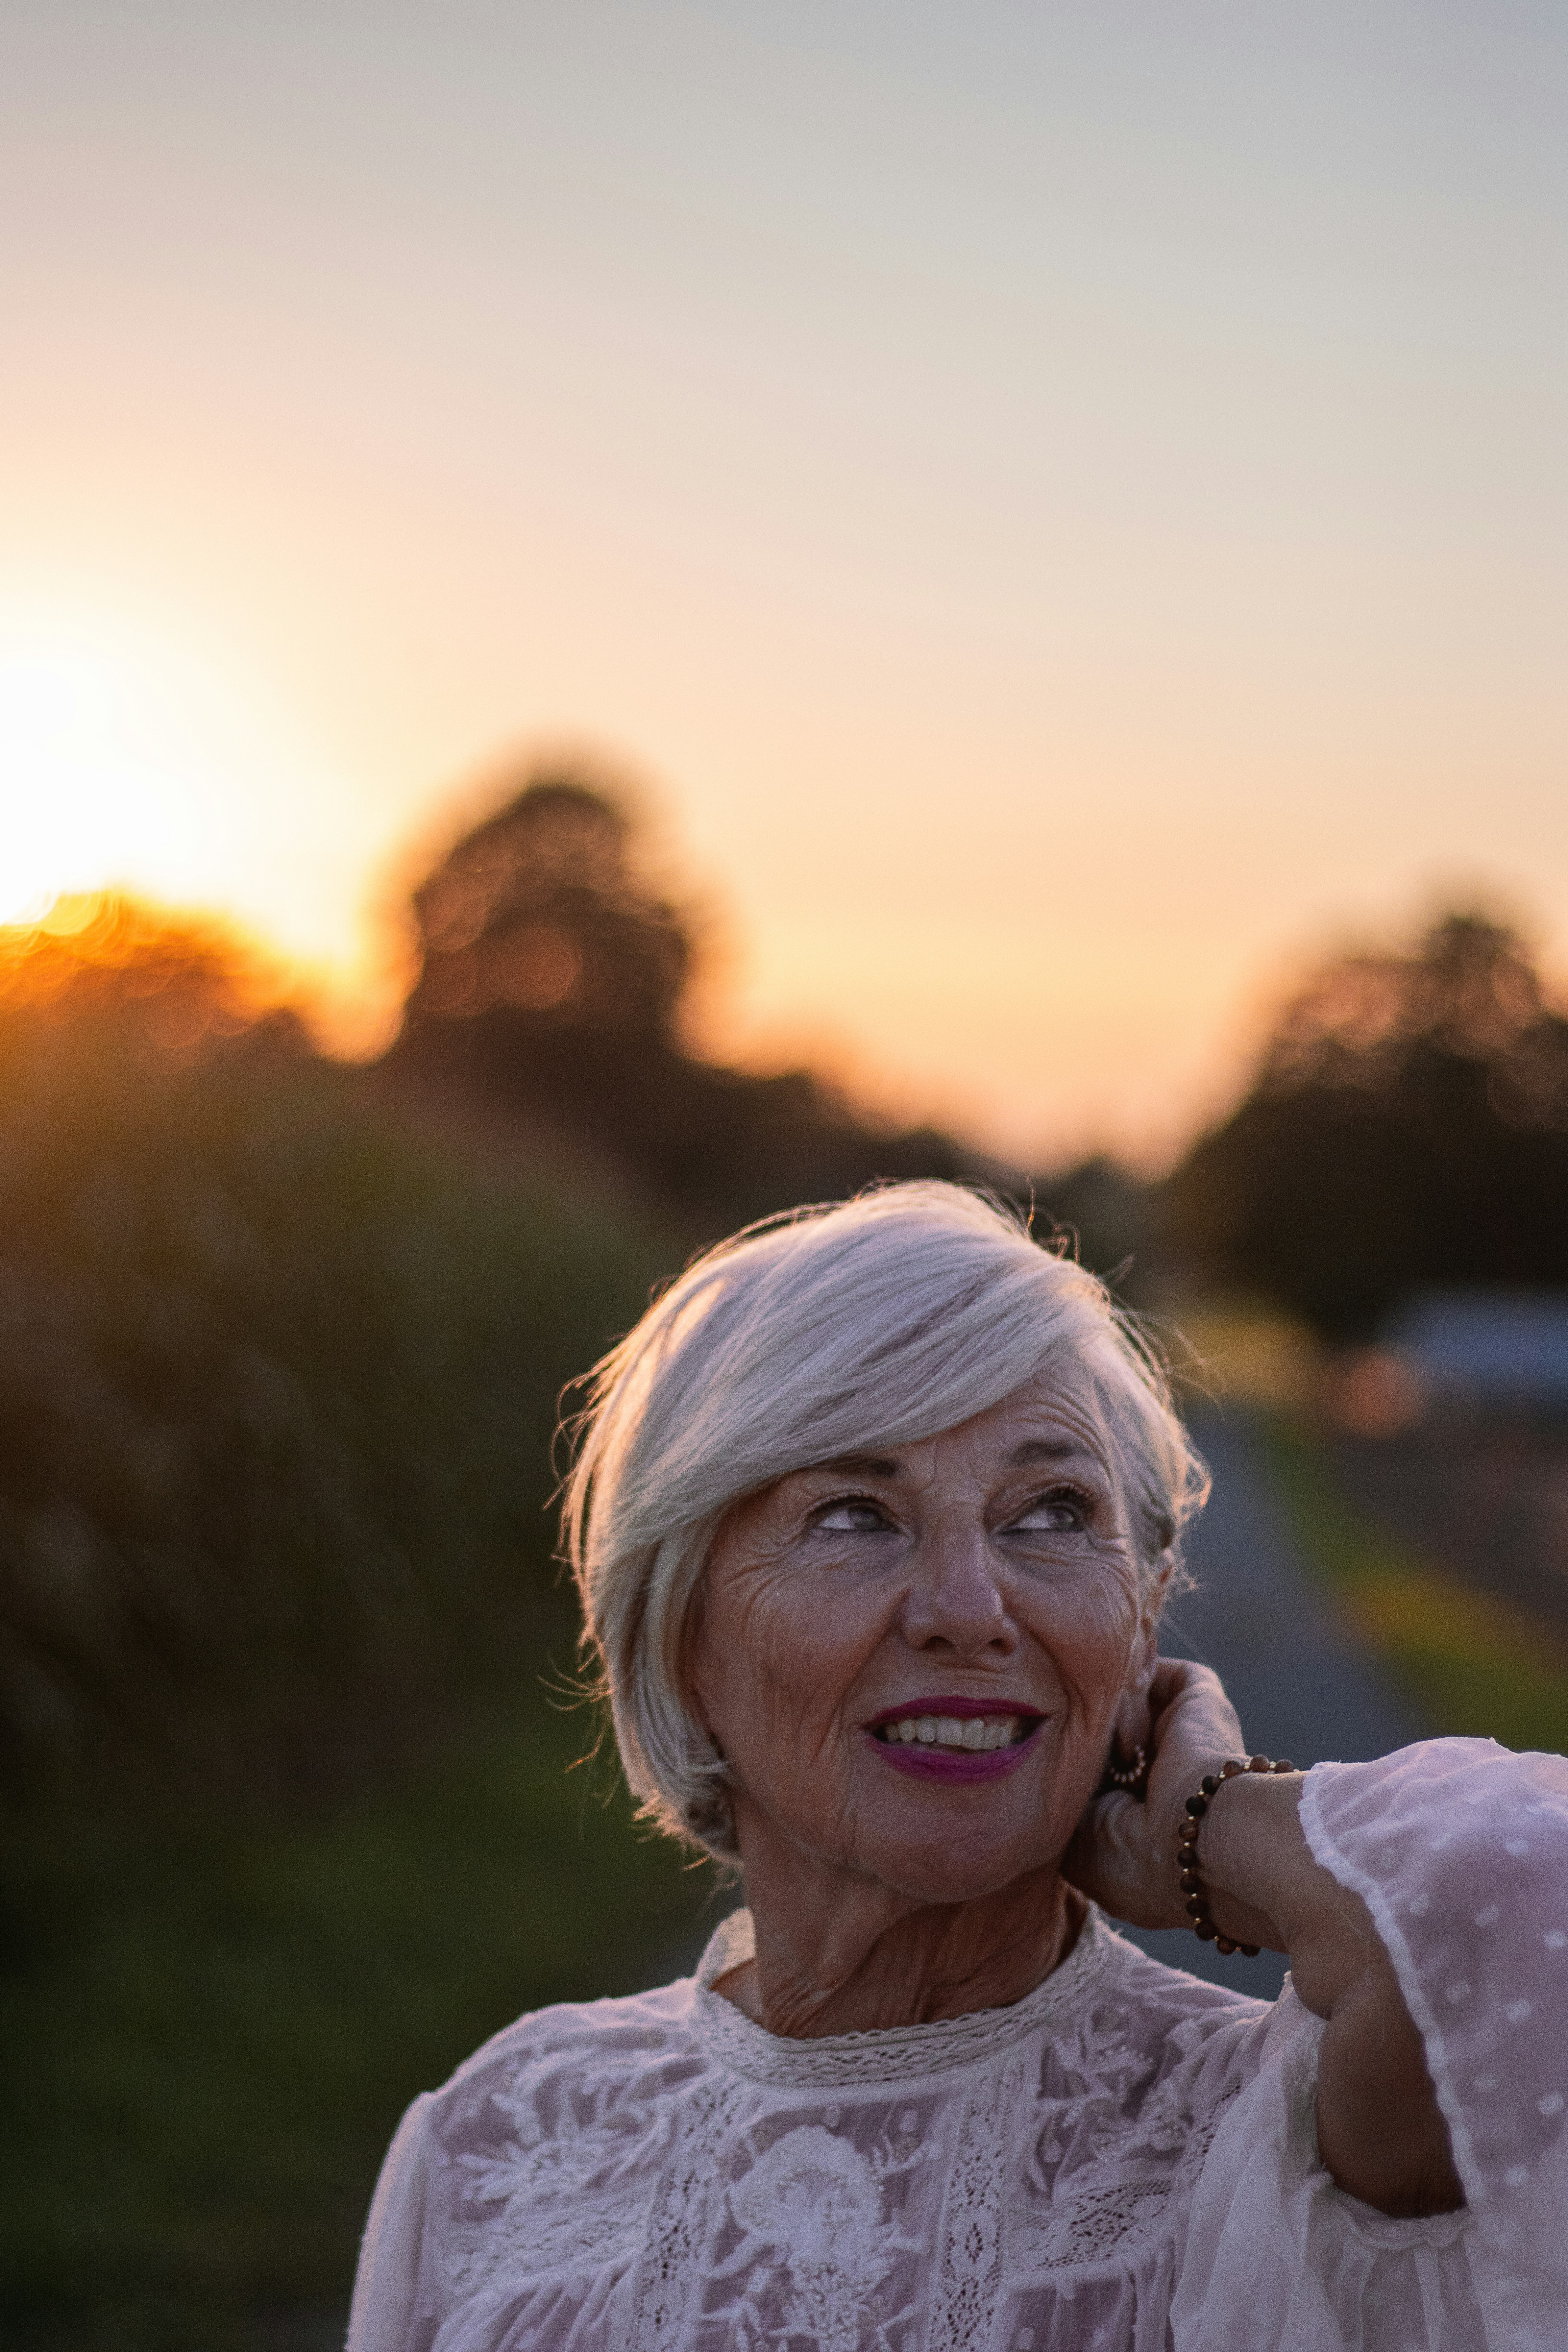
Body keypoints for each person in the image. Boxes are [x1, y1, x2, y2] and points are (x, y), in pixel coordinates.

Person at [347, 1183, 1568, 2352]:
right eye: (851, 1514)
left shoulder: (1286, 2138)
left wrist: (1210, 1820)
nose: (970, 1611)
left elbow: (1516, 1895)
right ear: (677, 1628)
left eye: (1052, 1512)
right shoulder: (499, 2136)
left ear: (1140, 1620)